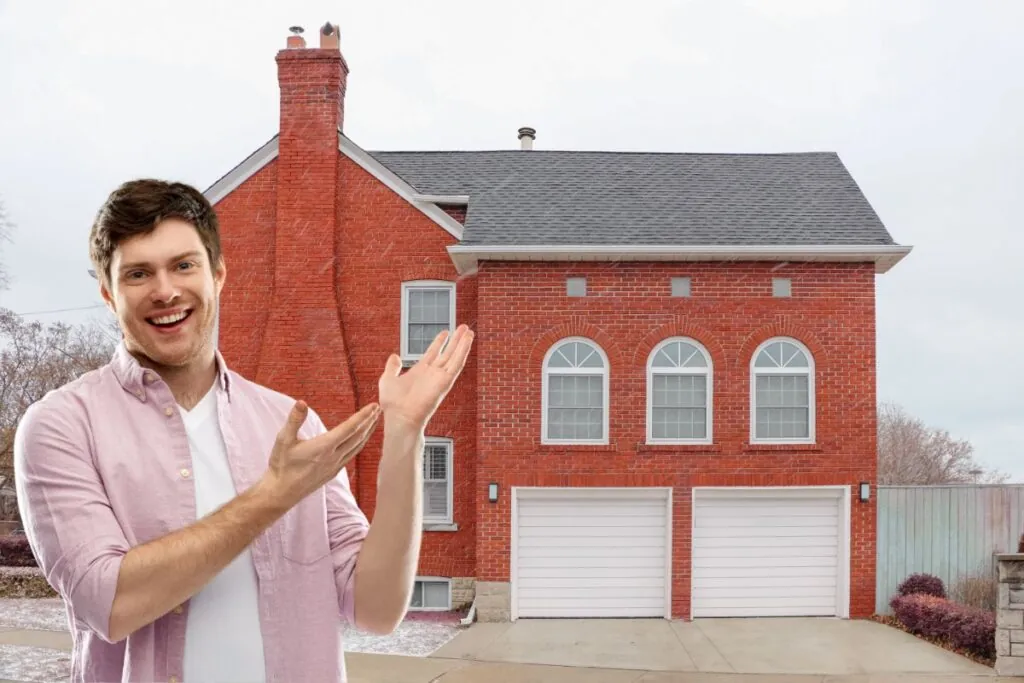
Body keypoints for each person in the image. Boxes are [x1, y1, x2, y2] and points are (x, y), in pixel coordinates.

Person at [13, 179, 474, 683]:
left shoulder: (289, 425)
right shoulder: (60, 426)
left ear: (219, 274)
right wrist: (272, 497)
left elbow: (377, 609)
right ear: (108, 294)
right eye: (138, 273)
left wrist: (407, 435)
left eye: (184, 265)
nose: (165, 290)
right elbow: (111, 602)